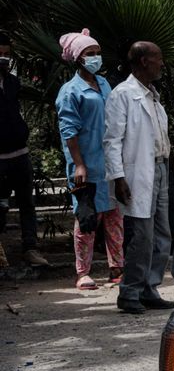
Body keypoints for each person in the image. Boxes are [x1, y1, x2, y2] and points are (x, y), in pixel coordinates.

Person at [105, 41, 174, 314]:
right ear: (144, 61)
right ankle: (129, 291)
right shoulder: (123, 94)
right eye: (158, 58)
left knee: (161, 234)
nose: (161, 63)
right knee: (142, 236)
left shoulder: (151, 95)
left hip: (159, 168)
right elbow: (112, 140)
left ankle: (149, 288)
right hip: (137, 172)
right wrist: (119, 177)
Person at [54, 29, 123, 291]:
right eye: (89, 54)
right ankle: (83, 272)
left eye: (97, 53)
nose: (95, 58)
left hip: (110, 162)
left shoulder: (104, 84)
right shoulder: (70, 91)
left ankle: (117, 267)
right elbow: (69, 131)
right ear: (77, 59)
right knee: (86, 219)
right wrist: (79, 163)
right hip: (86, 164)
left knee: (115, 216)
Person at [0, 31, 46, 268]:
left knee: (27, 204)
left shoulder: (12, 82)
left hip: (20, 153)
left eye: (7, 55)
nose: (4, 60)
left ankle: (30, 248)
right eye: (0, 55)